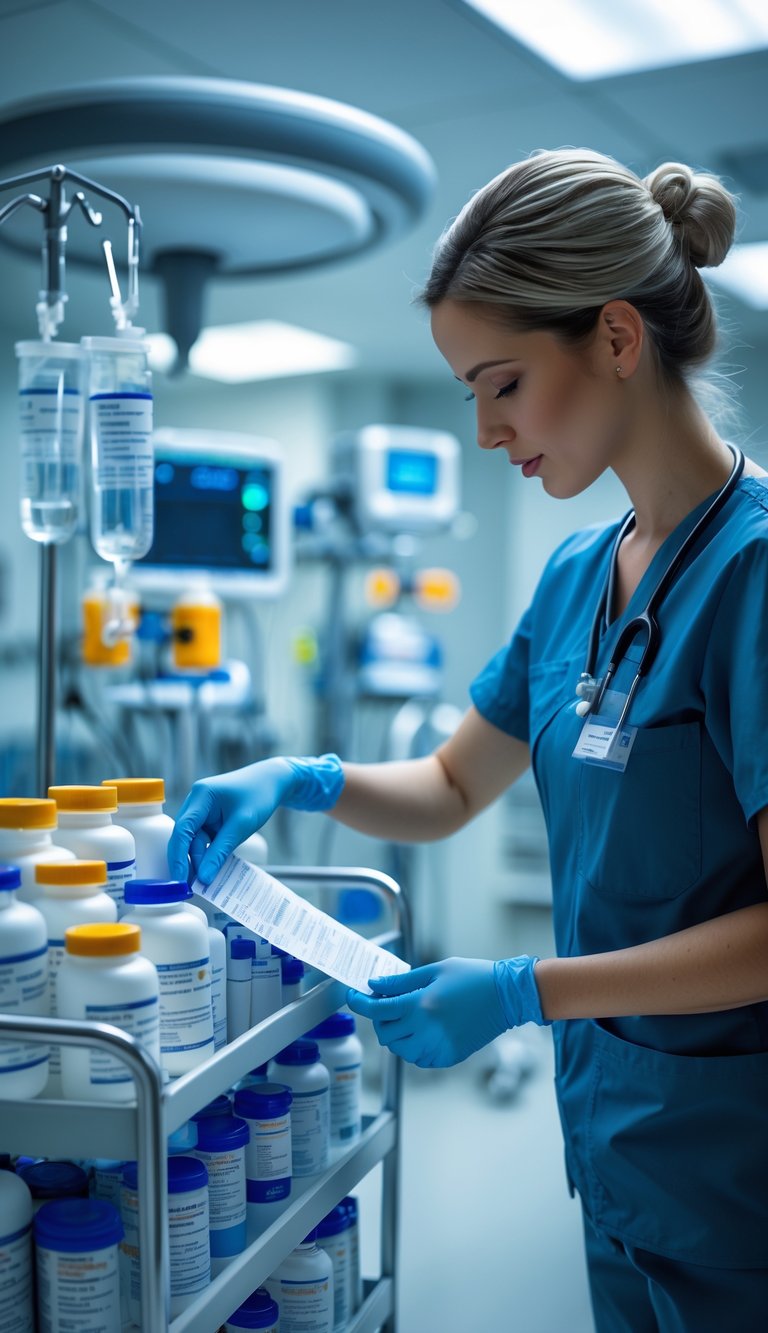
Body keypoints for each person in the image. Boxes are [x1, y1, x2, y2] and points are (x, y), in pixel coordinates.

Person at [168, 148, 768, 1331]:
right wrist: (307, 775)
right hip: (616, 1149)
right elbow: (450, 784)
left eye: (502, 384)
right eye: (469, 395)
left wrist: (518, 990)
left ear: (613, 337)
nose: (490, 431)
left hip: (737, 1175)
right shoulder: (574, 576)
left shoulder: (754, 575)